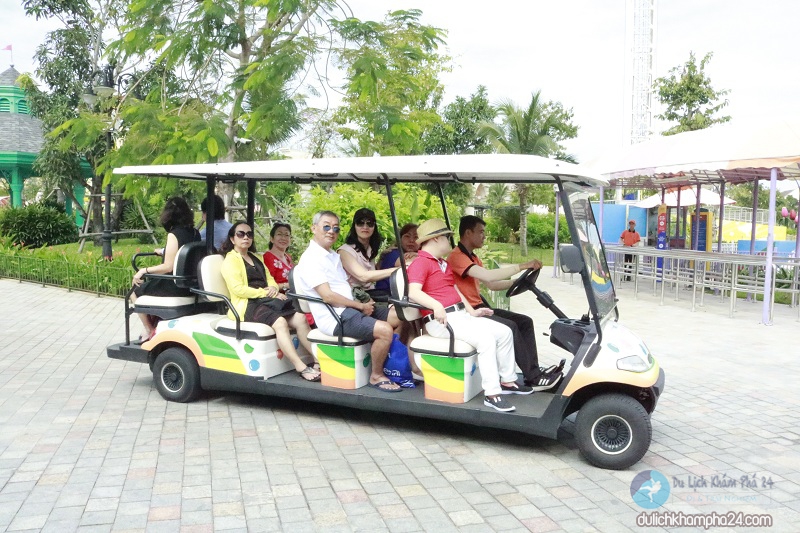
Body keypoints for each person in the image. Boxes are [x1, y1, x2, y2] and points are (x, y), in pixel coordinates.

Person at [406, 218, 532, 413]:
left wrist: (473, 311)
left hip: (460, 315)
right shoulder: (421, 263)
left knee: (504, 331)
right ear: (437, 239)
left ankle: (507, 381)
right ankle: (492, 393)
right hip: (440, 321)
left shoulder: (443, 264)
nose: (451, 241)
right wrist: (436, 306)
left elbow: (455, 289)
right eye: (448, 237)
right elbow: (413, 292)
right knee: (486, 340)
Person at [447, 216, 562, 390]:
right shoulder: (457, 257)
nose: (484, 236)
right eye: (481, 232)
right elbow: (488, 276)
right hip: (468, 313)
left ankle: (534, 373)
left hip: (480, 307)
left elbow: (492, 285)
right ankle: (532, 377)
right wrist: (522, 266)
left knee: (524, 322)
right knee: (510, 326)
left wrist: (518, 282)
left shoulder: (472, 257)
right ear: (468, 232)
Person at [294, 210, 402, 393]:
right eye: (326, 226)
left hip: (349, 309)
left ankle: (387, 361)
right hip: (334, 316)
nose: (331, 231)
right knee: (384, 330)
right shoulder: (311, 259)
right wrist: (360, 306)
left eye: (335, 228)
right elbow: (328, 296)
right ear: (313, 228)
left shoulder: (332, 256)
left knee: (398, 315)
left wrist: (363, 302)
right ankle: (376, 375)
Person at [220, 221, 320, 382]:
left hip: (265, 300)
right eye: (241, 234)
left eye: (249, 234)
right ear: (232, 239)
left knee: (300, 318)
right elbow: (238, 289)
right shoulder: (230, 261)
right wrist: (265, 292)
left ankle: (319, 360)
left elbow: (270, 279)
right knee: (280, 322)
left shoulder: (256, 257)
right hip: (246, 304)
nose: (246, 237)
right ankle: (300, 366)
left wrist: (273, 289)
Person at [131, 197, 201, 343]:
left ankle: (149, 329)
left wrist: (144, 270)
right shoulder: (195, 233)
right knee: (149, 285)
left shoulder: (174, 234)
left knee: (134, 290)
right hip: (190, 285)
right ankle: (156, 325)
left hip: (174, 286)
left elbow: (168, 267)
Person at [338, 208, 398, 301]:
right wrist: (400, 269)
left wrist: (382, 257)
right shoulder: (345, 251)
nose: (365, 227)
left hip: (371, 294)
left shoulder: (370, 248)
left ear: (374, 227)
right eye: (360, 223)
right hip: (355, 298)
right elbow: (364, 276)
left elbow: (373, 272)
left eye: (369, 223)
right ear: (354, 226)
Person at [375, 223, 419, 293]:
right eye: (407, 236)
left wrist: (417, 254)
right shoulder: (393, 253)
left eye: (416, 237)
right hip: (385, 297)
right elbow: (412, 264)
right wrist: (419, 255)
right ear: (400, 239)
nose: (411, 240)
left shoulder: (417, 254)